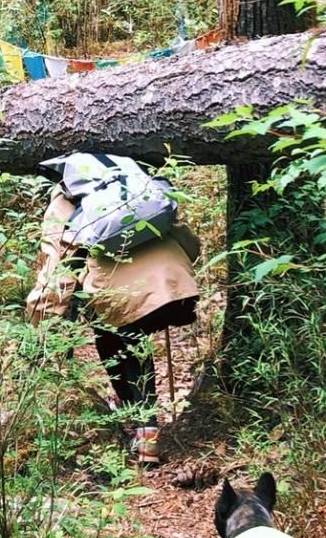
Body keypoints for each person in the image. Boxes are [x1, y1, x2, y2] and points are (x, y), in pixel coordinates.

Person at [26, 154, 201, 465]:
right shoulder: (130, 175)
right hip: (176, 281)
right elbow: (185, 235)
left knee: (112, 336)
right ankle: (140, 417)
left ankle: (144, 428)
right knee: (132, 336)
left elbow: (57, 271)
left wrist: (39, 324)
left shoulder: (64, 201)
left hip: (123, 292)